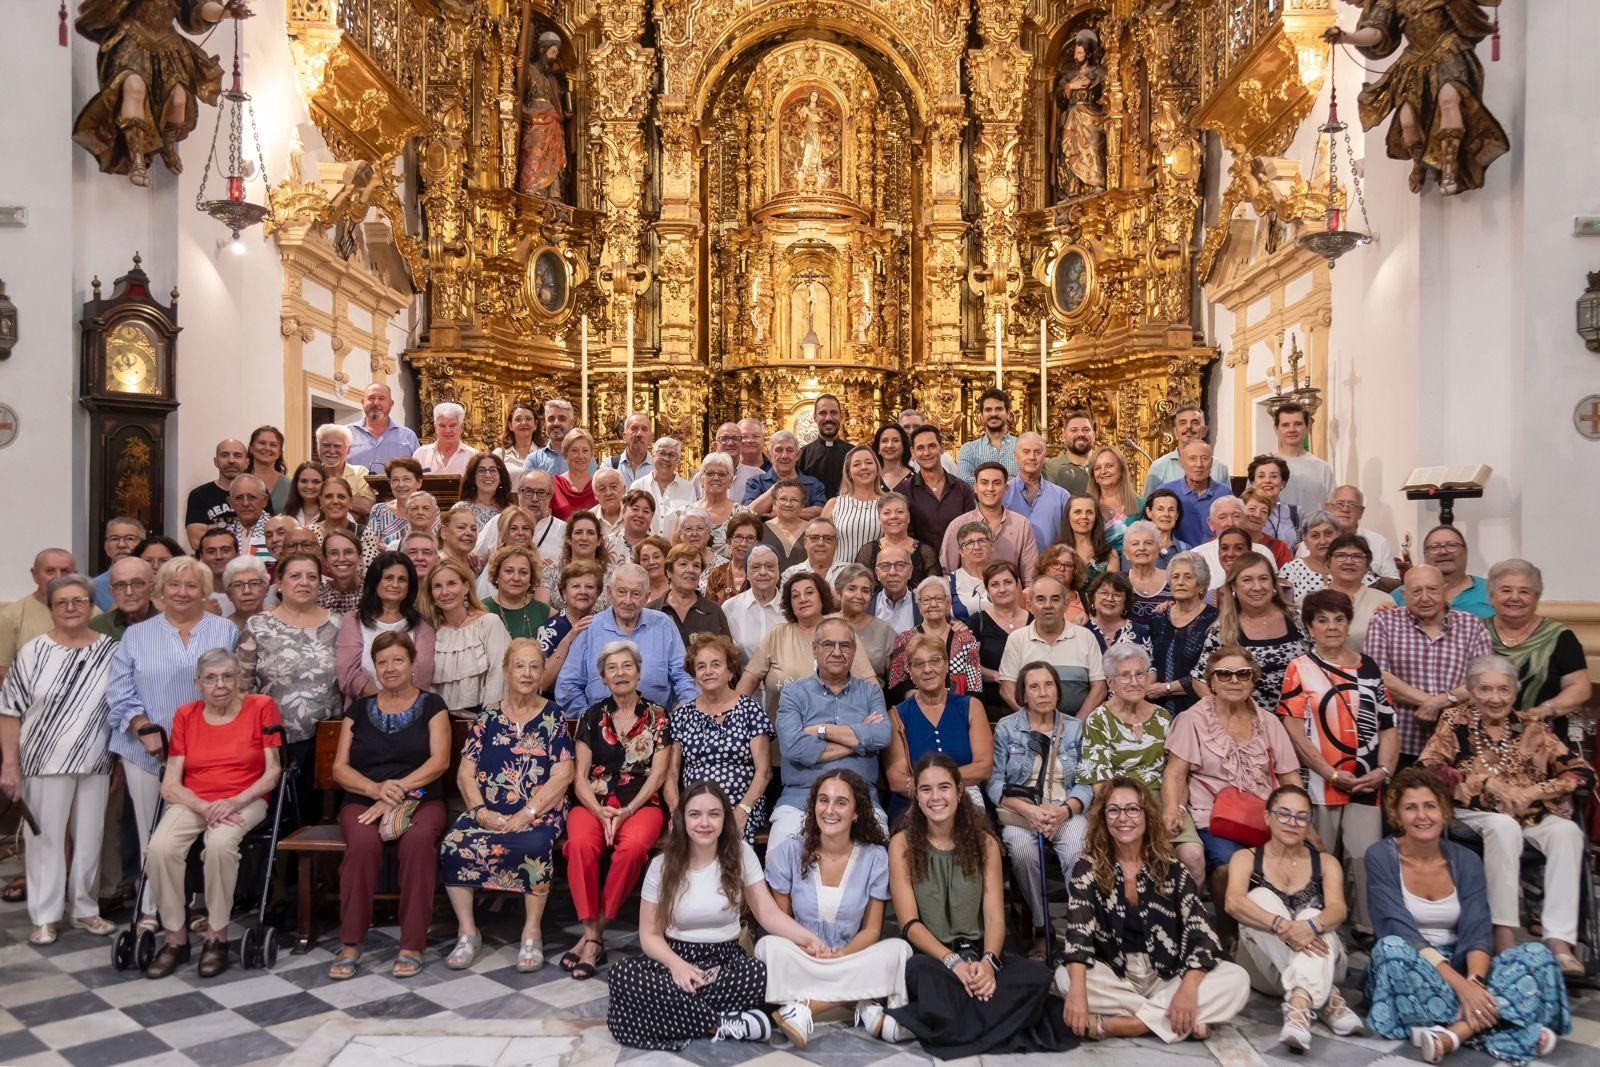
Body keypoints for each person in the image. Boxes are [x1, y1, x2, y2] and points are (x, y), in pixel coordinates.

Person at [1364, 769, 1571, 1065]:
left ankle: (1454, 1034)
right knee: (1390, 950)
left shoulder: (1467, 860)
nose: (1422, 816)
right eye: (1411, 807)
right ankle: (1507, 1021)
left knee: (1538, 955)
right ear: (1397, 816)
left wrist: (1474, 982)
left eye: (1430, 806)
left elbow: (1477, 931)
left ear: (1444, 811)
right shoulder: (1380, 856)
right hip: (1411, 965)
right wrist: (1463, 989)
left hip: (1461, 965)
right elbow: (1399, 930)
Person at [606, 782, 828, 1049]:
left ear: (725, 818)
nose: (705, 823)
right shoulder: (660, 866)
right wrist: (677, 966)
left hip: (725, 962)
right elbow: (649, 935)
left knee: (759, 974)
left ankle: (679, 1016)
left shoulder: (741, 853)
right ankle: (722, 1022)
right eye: (695, 814)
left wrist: (808, 939)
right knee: (622, 975)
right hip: (675, 959)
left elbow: (768, 913)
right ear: (682, 818)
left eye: (714, 814)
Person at [882, 754, 1074, 1054]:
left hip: (981, 950)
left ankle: (943, 1026)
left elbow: (995, 917)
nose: (936, 797)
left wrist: (987, 964)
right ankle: (996, 1024)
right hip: (935, 957)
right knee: (922, 978)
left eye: (944, 787)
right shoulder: (901, 843)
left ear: (959, 791)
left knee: (1036, 977)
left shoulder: (984, 842)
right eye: (926, 789)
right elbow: (909, 924)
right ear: (916, 796)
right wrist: (954, 963)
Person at [1418, 654, 1592, 976]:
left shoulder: (1531, 726)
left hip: (1531, 813)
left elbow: (1581, 772)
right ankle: (1503, 932)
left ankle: (1559, 941)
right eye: (1484, 689)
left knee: (1567, 832)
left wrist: (1536, 792)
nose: (1495, 698)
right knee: (1503, 826)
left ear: (1515, 692)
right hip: (1474, 813)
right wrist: (1484, 781)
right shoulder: (1454, 721)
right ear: (1471, 689)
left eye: (1503, 690)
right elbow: (1427, 768)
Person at [1058, 777, 1251, 1043]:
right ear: (1103, 818)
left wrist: (1188, 987)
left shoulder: (1172, 868)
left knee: (1236, 979)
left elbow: (1204, 935)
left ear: (1147, 815)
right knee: (1066, 979)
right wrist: (1078, 993)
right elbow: (1078, 936)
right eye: (1113, 810)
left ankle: (1125, 1025)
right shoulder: (1087, 867)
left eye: (1132, 809)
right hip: (1116, 974)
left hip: (1167, 974)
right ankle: (1178, 1019)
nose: (1122, 818)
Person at [106, 558, 239, 922]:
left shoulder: (224, 631)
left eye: (191, 585)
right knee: (152, 829)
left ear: (204, 591)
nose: (182, 592)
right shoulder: (137, 635)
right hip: (146, 750)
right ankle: (153, 907)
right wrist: (144, 729)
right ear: (160, 590)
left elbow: (232, 687)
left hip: (207, 751)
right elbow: (120, 692)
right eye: (173, 585)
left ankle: (195, 905)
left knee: (195, 829)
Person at [140, 649, 282, 979]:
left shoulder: (261, 707)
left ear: (240, 678)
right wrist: (203, 806)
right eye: (211, 678)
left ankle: (216, 936)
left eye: (228, 676)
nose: (220, 684)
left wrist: (234, 802)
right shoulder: (185, 715)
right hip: (195, 801)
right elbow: (170, 784)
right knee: (160, 849)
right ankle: (175, 938)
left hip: (246, 799)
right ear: (198, 682)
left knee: (219, 846)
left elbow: (273, 772)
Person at [439, 639, 573, 972]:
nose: (526, 673)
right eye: (519, 666)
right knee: (455, 843)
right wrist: (481, 812)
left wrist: (528, 813)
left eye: (534, 667)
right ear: (505, 671)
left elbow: (563, 773)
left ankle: (532, 931)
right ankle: (468, 931)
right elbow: (466, 773)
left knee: (535, 842)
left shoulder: (553, 716)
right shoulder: (486, 718)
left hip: (539, 811)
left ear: (542, 673)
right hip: (488, 810)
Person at [0, 575, 118, 944]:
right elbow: (9, 711)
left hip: (95, 759)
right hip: (43, 761)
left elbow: (120, 707)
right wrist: (9, 765)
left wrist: (117, 760)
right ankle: (46, 916)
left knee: (89, 839)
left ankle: (85, 909)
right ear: (50, 608)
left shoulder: (110, 651)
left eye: (79, 600)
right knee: (46, 841)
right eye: (62, 602)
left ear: (90, 605)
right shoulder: (33, 651)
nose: (71, 607)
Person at [328, 633, 450, 979]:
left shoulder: (432, 705)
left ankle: (412, 943)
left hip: (422, 796)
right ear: (374, 668)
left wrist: (397, 792)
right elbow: (339, 768)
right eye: (383, 662)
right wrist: (376, 789)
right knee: (363, 844)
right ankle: (351, 941)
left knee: (416, 843)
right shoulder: (358, 710)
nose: (390, 667)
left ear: (413, 665)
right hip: (365, 798)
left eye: (398, 660)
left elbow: (439, 762)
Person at [758, 770, 911, 1048]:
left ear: (856, 812)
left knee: (900, 951)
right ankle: (862, 1001)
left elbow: (872, 931)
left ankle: (807, 1007)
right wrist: (810, 948)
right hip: (804, 955)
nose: (829, 810)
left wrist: (841, 955)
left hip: (850, 956)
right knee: (767, 948)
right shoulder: (789, 852)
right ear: (813, 805)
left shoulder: (875, 856)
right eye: (823, 800)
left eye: (841, 802)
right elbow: (780, 923)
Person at [1277, 589, 1397, 937]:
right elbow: (1293, 731)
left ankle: (1365, 928)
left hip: (1366, 780)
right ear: (1310, 627)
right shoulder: (1299, 668)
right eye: (1322, 620)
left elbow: (1388, 725)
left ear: (1349, 623)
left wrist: (1384, 771)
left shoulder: (1369, 666)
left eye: (1339, 619)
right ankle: (1318, 926)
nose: (1331, 627)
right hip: (1320, 781)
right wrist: (1328, 772)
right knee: (1319, 856)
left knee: (1364, 858)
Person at [564, 640, 673, 980]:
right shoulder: (590, 716)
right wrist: (599, 811)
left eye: (627, 666)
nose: (620, 673)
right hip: (593, 801)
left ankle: (595, 932)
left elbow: (657, 775)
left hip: (641, 803)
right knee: (581, 845)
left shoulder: (658, 716)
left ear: (639, 672)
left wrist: (626, 811)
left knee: (632, 849)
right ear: (603, 677)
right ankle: (593, 936)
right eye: (612, 668)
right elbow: (578, 775)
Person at [1223, 783, 1361, 1051]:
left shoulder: (1325, 862)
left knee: (1313, 914)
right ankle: (1327, 1000)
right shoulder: (1246, 858)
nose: (1292, 822)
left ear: (1309, 822)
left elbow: (1338, 910)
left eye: (1301, 817)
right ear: (1267, 817)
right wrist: (1282, 926)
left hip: (1327, 962)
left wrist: (1311, 925)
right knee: (1258, 897)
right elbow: (1233, 903)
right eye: (1283, 814)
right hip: (1266, 969)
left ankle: (1299, 1006)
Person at [1165, 647, 1302, 896]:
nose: (1234, 680)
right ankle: (1228, 933)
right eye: (1224, 674)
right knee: (1231, 868)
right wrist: (1173, 809)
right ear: (1212, 682)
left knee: (1301, 865)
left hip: (1264, 819)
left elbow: (1290, 777)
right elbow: (1175, 774)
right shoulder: (1191, 720)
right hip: (1215, 820)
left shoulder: (1268, 722)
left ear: (1253, 680)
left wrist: (1301, 818)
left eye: (1243, 674)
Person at [989, 660, 1095, 957]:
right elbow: (995, 783)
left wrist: (1063, 811)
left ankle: (1080, 926)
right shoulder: (1008, 728)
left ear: (1058, 691)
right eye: (1033, 686)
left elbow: (1086, 784)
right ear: (1023, 695)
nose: (1042, 692)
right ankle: (1041, 926)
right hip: (1022, 811)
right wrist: (1028, 811)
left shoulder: (1075, 728)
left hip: (1065, 808)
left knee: (1077, 847)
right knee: (1022, 852)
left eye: (1049, 685)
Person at [1079, 643, 1205, 883]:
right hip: (1120, 806)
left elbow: (1179, 774)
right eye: (1124, 675)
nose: (1134, 681)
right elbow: (1101, 785)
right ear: (1110, 682)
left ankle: (1185, 918)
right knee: (1136, 859)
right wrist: (1137, 813)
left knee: (1193, 855)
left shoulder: (1163, 717)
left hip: (1165, 800)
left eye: (1140, 674)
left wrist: (1176, 809)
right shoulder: (1098, 720)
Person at [237, 551, 341, 821]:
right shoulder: (258, 625)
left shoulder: (339, 623)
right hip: (273, 740)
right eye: (295, 576)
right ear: (279, 583)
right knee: (274, 818)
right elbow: (242, 687)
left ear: (320, 583)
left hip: (325, 740)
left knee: (315, 817)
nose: (304, 582)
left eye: (311, 577)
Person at [769, 618, 891, 843]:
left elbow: (882, 735)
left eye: (845, 645)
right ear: (814, 649)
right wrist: (859, 740)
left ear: (854, 651)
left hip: (862, 801)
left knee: (878, 858)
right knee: (780, 857)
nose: (837, 652)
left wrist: (822, 730)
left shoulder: (870, 692)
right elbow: (793, 747)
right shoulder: (793, 693)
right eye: (828, 645)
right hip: (800, 799)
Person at [1367, 563, 1493, 767]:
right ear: (1404, 594)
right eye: (1416, 591)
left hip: (1456, 743)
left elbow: (1483, 680)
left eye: (1432, 589)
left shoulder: (1471, 625)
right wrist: (1432, 702)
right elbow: (1380, 677)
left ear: (1444, 590)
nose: (1425, 598)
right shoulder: (1384, 622)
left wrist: (1441, 702)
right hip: (1400, 744)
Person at [666, 634, 772, 843]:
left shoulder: (750, 710)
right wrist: (677, 811)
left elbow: (764, 772)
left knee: (728, 840)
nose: (708, 672)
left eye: (716, 664)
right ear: (694, 674)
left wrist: (742, 811)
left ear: (730, 670)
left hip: (741, 805)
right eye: (701, 666)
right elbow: (671, 773)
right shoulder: (682, 715)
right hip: (694, 806)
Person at [1485, 558, 1591, 743]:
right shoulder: (1475, 632)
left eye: (1524, 591)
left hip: (1542, 740)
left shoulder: (1560, 637)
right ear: (1491, 596)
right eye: (1506, 590)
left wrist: (1547, 709)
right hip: (1481, 739)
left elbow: (1579, 687)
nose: (1515, 597)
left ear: (1536, 597)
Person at [886, 633, 993, 812]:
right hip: (915, 800)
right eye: (919, 664)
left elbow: (983, 767)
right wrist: (930, 793)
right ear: (910, 672)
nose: (927, 669)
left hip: (965, 794)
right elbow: (897, 780)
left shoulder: (971, 707)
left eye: (935, 661)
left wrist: (937, 783)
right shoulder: (897, 715)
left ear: (946, 664)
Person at [1194, 554, 1308, 710]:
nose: (1257, 586)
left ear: (1273, 583)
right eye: (1247, 580)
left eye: (1263, 579)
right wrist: (1226, 713)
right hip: (1251, 727)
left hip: (1301, 723)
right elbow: (1199, 679)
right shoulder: (1224, 629)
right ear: (1233, 586)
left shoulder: (1299, 619)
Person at [335, 551, 436, 703]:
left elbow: (423, 673)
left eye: (402, 579)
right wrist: (384, 702)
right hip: (364, 710)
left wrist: (402, 705)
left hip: (412, 710)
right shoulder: (353, 620)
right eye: (388, 578)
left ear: (409, 586)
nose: (395, 585)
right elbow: (348, 672)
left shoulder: (422, 625)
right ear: (375, 581)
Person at [997, 576, 1107, 714]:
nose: (1048, 605)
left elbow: (1099, 688)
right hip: (1030, 729)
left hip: (1078, 725)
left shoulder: (1086, 637)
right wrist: (1033, 721)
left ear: (1066, 604)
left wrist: (1076, 725)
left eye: (1055, 599)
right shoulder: (1017, 639)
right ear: (1030, 605)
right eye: (1041, 599)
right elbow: (1007, 689)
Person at [427, 557, 512, 718]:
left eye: (452, 583)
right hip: (440, 723)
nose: (445, 592)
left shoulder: (488, 623)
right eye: (437, 586)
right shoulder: (430, 632)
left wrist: (486, 722)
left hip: (484, 721)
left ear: (466, 587)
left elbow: (499, 678)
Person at [939, 462, 1039, 588]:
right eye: (984, 482)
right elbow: (947, 575)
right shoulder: (958, 525)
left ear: (1006, 488)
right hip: (968, 603)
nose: (990, 488)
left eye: (996, 483)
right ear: (975, 487)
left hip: (1010, 601)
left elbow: (1030, 578)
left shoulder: (1021, 525)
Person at [886, 578, 983, 704]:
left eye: (939, 599)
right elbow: (895, 686)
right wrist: (913, 695)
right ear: (919, 606)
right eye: (926, 600)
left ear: (948, 603)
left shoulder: (966, 639)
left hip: (959, 711)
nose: (933, 604)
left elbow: (975, 687)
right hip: (917, 710)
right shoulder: (904, 640)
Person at [1147, 551, 1216, 714]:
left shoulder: (1215, 620)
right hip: (1157, 707)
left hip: (1199, 708)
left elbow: (1210, 672)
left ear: (1201, 584)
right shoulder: (1158, 616)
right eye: (1175, 577)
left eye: (1188, 577)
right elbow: (1150, 660)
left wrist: (1166, 688)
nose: (1180, 582)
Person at [967, 560, 1030, 722]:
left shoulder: (1034, 621)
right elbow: (969, 665)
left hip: (1032, 704)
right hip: (991, 709)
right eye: (995, 584)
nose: (1002, 589)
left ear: (1017, 585)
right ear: (987, 590)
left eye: (1008, 582)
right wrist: (997, 676)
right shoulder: (977, 622)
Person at [0, 549, 77, 680]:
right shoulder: (11, 616)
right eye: (49, 571)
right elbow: (3, 672)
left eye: (65, 571)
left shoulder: (91, 614)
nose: (58, 577)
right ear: (34, 574)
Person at [897, 425, 976, 549]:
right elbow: (904, 535)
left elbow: (970, 531)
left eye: (932, 446)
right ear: (913, 452)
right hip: (919, 564)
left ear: (942, 448)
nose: (927, 453)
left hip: (958, 562)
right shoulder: (903, 491)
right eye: (920, 448)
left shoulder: (963, 489)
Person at [535, 561, 602, 695]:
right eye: (575, 586)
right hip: (556, 705)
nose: (582, 591)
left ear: (598, 593)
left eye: (589, 587)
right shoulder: (549, 629)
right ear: (564, 593)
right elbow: (541, 684)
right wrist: (568, 640)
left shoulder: (604, 625)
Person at [1143, 403, 1230, 495]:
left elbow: (1228, 504)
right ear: (1175, 431)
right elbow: (1147, 506)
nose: (1188, 427)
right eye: (1183, 423)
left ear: (1204, 431)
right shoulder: (1158, 467)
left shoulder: (1220, 468)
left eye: (1195, 422)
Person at [1160, 440, 1232, 551]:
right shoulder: (1166, 492)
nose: (1199, 464)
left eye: (1204, 458)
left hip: (1215, 555)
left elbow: (1233, 529)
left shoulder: (1224, 493)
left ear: (1211, 462)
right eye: (1192, 459)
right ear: (1181, 462)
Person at [651, 544, 731, 644]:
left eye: (696, 566)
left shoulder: (714, 611)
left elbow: (728, 654)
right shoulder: (652, 611)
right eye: (683, 564)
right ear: (669, 572)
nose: (691, 570)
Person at [1327, 533, 1394, 652]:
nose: (1349, 561)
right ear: (1328, 563)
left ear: (1367, 566)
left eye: (1357, 556)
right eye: (1341, 555)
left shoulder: (1384, 600)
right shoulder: (1310, 601)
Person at [1321, 485, 1400, 585]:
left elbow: (1394, 582)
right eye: (1340, 504)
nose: (1345, 509)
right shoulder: (1313, 544)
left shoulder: (1378, 542)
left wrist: (1370, 577)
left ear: (1361, 512)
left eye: (1352, 505)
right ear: (1328, 508)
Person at [1006, 431, 1072, 550]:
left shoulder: (1062, 496)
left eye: (1037, 452)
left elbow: (1070, 538)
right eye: (1026, 452)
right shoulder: (1003, 494)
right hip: (1010, 566)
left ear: (1045, 457)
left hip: (1052, 566)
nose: (1032, 457)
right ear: (1015, 456)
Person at [819, 446, 884, 562]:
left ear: (877, 468)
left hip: (876, 576)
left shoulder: (887, 504)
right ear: (849, 472)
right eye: (856, 464)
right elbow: (819, 544)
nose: (864, 467)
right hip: (839, 575)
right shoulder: (834, 504)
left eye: (869, 462)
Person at [723, 544, 784, 666]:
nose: (763, 572)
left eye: (770, 567)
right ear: (747, 574)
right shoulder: (730, 608)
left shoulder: (791, 607)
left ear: (779, 572)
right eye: (755, 567)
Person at [1270, 402, 1334, 517]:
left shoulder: (1322, 467)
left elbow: (1331, 508)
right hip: (1273, 533)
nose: (1292, 429)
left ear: (1307, 427)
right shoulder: (1264, 466)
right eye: (1285, 425)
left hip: (1312, 532)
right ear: (1276, 430)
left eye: (1298, 424)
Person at [184, 439, 248, 550]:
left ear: (247, 463)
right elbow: (196, 542)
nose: (231, 460)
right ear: (216, 461)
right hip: (211, 564)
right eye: (224, 455)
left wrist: (212, 528)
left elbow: (264, 535)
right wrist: (243, 530)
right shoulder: (199, 495)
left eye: (237, 455)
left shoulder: (259, 493)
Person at [745, 430, 827, 517]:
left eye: (789, 450)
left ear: (798, 455)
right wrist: (778, 486)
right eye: (779, 450)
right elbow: (749, 514)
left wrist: (779, 513)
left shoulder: (813, 484)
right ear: (769, 455)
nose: (784, 456)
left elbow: (821, 512)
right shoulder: (756, 482)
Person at [834, 564, 896, 677]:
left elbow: (895, 680)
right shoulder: (824, 625)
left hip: (872, 693)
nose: (859, 595)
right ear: (839, 593)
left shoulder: (884, 630)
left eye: (865, 591)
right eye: (851, 589)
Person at [473, 506, 545, 602]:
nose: (520, 533)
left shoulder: (537, 564)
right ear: (504, 534)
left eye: (525, 528)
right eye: (513, 528)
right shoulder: (495, 566)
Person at [683, 452, 748, 554]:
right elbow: (677, 551)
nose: (716, 478)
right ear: (701, 480)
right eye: (709, 474)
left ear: (730, 481)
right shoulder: (686, 513)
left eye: (722, 474)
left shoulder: (744, 514)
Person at [347, 382, 420, 473]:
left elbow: (417, 472)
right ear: (362, 402)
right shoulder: (346, 433)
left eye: (381, 398)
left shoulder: (408, 436)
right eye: (371, 398)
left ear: (391, 404)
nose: (376, 402)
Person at [483, 545, 551, 639]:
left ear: (531, 578)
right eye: (509, 571)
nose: (516, 578)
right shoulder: (480, 609)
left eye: (523, 572)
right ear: (497, 575)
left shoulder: (545, 612)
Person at [631, 436, 696, 532]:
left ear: (678, 460)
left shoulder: (688, 488)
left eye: (672, 455)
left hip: (676, 546)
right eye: (662, 453)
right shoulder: (638, 486)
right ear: (652, 456)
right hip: (644, 546)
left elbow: (692, 522)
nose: (666, 459)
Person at [314, 423, 377, 521]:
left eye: (337, 446)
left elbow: (366, 506)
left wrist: (322, 499)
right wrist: (351, 503)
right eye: (326, 445)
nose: (331, 451)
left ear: (348, 450)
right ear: (318, 448)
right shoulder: (312, 475)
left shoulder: (360, 472)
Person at [552, 510, 614, 609]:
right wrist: (570, 621)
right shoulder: (551, 571)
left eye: (590, 533)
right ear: (568, 539)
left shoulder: (614, 575)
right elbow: (543, 609)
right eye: (578, 532)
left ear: (599, 540)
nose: (584, 538)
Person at [956, 388, 1020, 480]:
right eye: (988, 410)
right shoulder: (969, 449)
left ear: (1008, 414)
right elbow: (963, 482)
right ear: (981, 415)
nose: (993, 414)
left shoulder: (1022, 447)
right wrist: (1010, 480)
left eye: (998, 409)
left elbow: (1029, 481)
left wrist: (980, 480)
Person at [1277, 510, 1342, 601]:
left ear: (1339, 536)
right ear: (1305, 541)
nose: (1322, 541)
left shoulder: (1353, 566)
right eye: (1315, 536)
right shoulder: (1292, 570)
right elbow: (1284, 610)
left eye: (1328, 533)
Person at [1120, 521, 1172, 627]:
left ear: (1158, 550)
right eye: (1135, 544)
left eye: (1148, 543)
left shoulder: (1173, 580)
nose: (1142, 548)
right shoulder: (1118, 582)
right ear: (1126, 553)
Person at [1088, 446, 1141, 551]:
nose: (1103, 471)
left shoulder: (1140, 505)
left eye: (1109, 466)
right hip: (1093, 565)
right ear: (1093, 476)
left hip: (1130, 565)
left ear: (1121, 470)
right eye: (1097, 468)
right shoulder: (1086, 506)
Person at [798, 394, 853, 495]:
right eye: (823, 413)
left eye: (834, 413)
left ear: (841, 417)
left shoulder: (853, 453)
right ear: (815, 417)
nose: (828, 418)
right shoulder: (802, 455)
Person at [1084, 571, 1151, 654]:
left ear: (1125, 601)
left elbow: (1148, 666)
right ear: (1093, 597)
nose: (1109, 599)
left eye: (1117, 595)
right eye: (1104, 593)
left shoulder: (1140, 633)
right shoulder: (1082, 630)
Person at [90, 556, 156, 639]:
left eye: (137, 584)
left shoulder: (170, 625)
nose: (129, 592)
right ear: (111, 591)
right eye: (120, 585)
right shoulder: (97, 627)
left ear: (152, 587)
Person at [1244, 455, 1300, 550]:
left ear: (1283, 483)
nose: (1267, 481)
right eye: (1261, 476)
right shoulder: (1244, 511)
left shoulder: (1294, 512)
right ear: (1253, 483)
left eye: (1273, 476)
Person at [704, 512, 761, 604]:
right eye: (738, 537)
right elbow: (710, 613)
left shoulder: (764, 575)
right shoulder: (717, 575)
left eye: (750, 538)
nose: (743, 544)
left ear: (758, 543)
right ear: (729, 542)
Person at [756, 478, 812, 572]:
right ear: (773, 504)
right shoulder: (761, 530)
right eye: (783, 499)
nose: (788, 504)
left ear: (802, 505)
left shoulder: (812, 531)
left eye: (794, 500)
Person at [90, 517, 146, 610]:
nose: (121, 545)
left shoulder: (154, 583)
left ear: (143, 545)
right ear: (106, 547)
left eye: (130, 538)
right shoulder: (93, 589)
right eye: (114, 539)